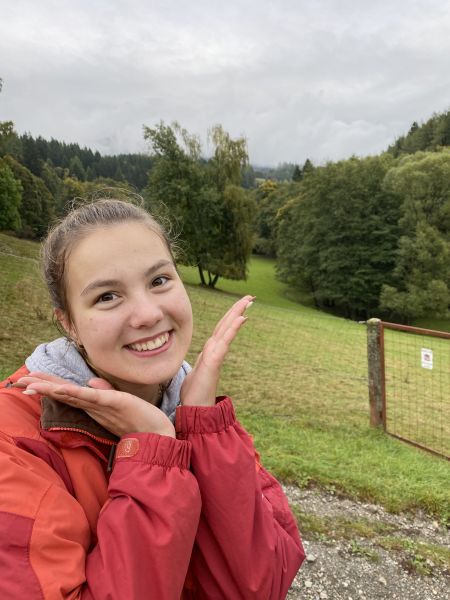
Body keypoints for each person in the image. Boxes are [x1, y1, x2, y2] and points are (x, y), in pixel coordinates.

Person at [0, 198, 305, 599]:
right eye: (107, 296)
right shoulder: (13, 442)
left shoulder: (198, 414)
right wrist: (153, 453)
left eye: (159, 280)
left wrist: (202, 428)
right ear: (69, 323)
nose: (147, 314)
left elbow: (263, 587)